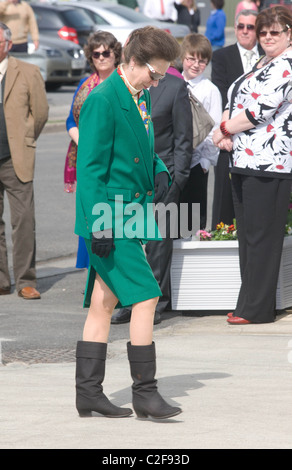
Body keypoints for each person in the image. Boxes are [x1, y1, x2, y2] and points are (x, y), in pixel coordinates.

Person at [74, 26, 183, 419]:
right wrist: (98, 227)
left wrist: (158, 169)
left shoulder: (136, 93)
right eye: (154, 74)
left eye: (162, 76)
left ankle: (88, 394)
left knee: (103, 305)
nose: (157, 82)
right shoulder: (104, 99)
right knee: (147, 295)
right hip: (110, 218)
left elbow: (138, 147)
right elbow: (89, 170)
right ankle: (145, 394)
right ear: (133, 62)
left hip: (130, 214)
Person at [213, 6, 292, 324]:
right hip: (244, 159)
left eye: (276, 31)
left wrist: (223, 130)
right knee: (247, 237)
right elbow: (233, 96)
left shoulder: (287, 65)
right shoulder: (263, 62)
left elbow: (261, 108)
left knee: (262, 238)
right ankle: (248, 302)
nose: (268, 37)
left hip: (270, 163)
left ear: (289, 33)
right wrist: (225, 126)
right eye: (263, 32)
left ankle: (259, 309)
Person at [111, 66, 193, 325]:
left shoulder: (175, 87)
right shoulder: (123, 88)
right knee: (129, 242)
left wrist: (178, 179)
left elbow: (183, 138)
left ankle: (155, 303)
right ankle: (130, 300)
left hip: (164, 175)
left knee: (158, 243)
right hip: (131, 177)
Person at [65, 31, 122, 270]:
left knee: (113, 218)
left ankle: (112, 273)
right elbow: (71, 121)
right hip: (88, 157)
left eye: (106, 52)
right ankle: (92, 273)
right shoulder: (84, 85)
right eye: (96, 53)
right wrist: (85, 143)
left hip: (115, 160)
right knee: (90, 213)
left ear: (115, 54)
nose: (101, 57)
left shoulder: (121, 83)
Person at [0, 22, 48, 298]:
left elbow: (40, 112)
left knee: (24, 220)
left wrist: (27, 137)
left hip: (15, 157)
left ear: (7, 44)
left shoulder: (27, 72)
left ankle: (25, 281)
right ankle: (1, 280)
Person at [211, 9, 263, 230]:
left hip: (261, 138)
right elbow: (224, 95)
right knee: (225, 200)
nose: (244, 31)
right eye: (240, 26)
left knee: (257, 207)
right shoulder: (222, 56)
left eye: (250, 27)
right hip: (229, 136)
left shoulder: (270, 56)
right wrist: (227, 130)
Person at [180, 33, 221, 230]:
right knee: (170, 215)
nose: (196, 65)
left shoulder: (210, 90)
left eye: (202, 61)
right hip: (173, 161)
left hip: (196, 161)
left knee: (193, 218)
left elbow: (215, 128)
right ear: (182, 58)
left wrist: (206, 161)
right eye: (191, 59)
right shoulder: (172, 83)